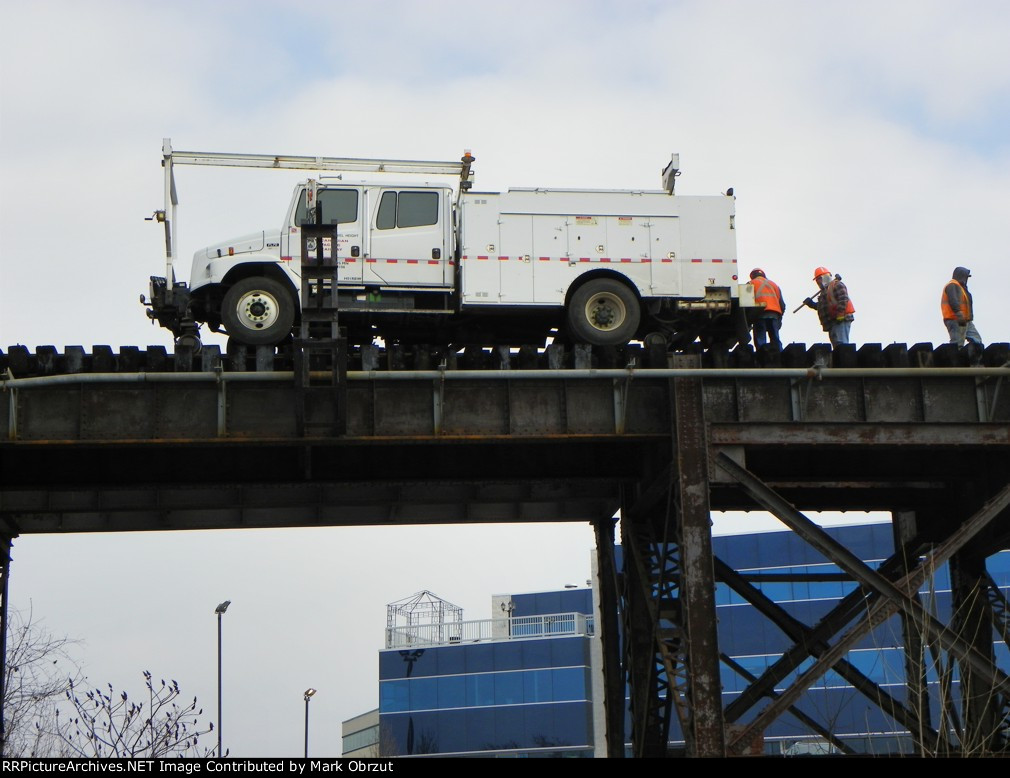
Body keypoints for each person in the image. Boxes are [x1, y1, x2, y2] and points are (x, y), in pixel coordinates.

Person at [804, 266, 854, 346]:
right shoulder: (825, 292)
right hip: (832, 321)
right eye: (817, 280)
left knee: (841, 344)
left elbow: (843, 298)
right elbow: (824, 307)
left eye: (819, 279)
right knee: (837, 345)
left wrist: (840, 314)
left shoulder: (836, 285)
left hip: (840, 319)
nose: (818, 282)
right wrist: (812, 304)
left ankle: (844, 357)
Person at [941, 266, 983, 349]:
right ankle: (955, 359)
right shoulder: (952, 285)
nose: (966, 279)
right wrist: (958, 313)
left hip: (966, 320)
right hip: (955, 319)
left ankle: (972, 356)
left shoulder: (961, 288)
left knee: (976, 340)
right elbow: (953, 300)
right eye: (966, 277)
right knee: (957, 343)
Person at [749, 268, 785, 348]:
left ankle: (762, 356)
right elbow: (782, 305)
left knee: (760, 339)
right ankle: (779, 355)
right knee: (775, 338)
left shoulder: (751, 283)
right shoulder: (774, 285)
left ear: (752, 276)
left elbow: (746, 303)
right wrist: (780, 318)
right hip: (774, 314)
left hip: (759, 314)